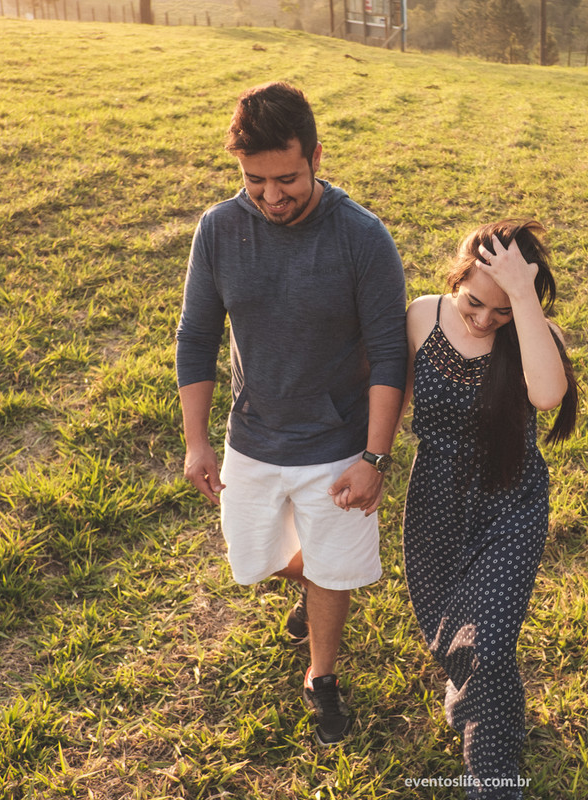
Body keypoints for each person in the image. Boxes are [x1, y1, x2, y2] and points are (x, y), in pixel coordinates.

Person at [174, 81, 407, 747]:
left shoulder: (363, 237)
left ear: (316, 158)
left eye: (288, 179)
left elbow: (391, 355)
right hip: (252, 437)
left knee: (336, 571)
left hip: (337, 444)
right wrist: (197, 441)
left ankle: (321, 675)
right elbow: (196, 337)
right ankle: (317, 576)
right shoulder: (218, 230)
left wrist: (374, 458)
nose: (273, 197)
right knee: (254, 559)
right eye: (255, 181)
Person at [402, 220, 578, 798]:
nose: (483, 319)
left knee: (490, 641)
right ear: (456, 277)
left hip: (509, 499)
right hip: (436, 502)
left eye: (500, 310)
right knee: (450, 633)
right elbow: (391, 396)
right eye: (475, 301)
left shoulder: (531, 333)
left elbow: (548, 395)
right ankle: (483, 701)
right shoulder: (423, 316)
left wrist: (522, 299)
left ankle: (493, 779)